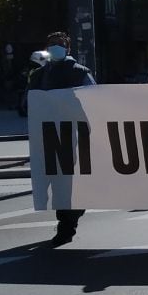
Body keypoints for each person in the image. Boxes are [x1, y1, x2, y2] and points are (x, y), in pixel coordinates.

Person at [33, 32, 95, 245]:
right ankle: (70, 216)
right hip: (47, 135)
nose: (55, 48)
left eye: (60, 44)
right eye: (52, 44)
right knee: (54, 179)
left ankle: (66, 225)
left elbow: (93, 99)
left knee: (65, 181)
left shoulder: (79, 73)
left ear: (68, 49)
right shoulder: (38, 74)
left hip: (72, 135)